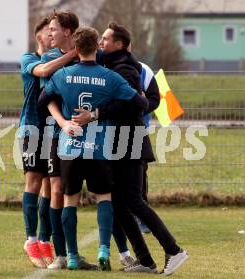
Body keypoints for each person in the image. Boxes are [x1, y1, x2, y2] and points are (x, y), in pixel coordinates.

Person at [73, 23, 188, 275]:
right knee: (119, 204)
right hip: (119, 140)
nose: (101, 43)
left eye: (106, 39)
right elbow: (88, 50)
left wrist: (95, 114)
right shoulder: (114, 63)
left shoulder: (125, 68)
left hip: (130, 139)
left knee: (134, 200)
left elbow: (134, 105)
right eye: (100, 39)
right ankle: (145, 260)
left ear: (120, 44)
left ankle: (174, 250)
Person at [39, 26, 148, 271]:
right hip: (99, 147)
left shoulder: (63, 74)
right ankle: (103, 250)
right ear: (96, 48)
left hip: (70, 146)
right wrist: (136, 93)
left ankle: (73, 256)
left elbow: (42, 101)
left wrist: (63, 122)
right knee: (104, 198)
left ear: (76, 49)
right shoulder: (110, 77)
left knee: (69, 200)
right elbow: (140, 103)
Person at [19, 16, 76, 268]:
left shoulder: (57, 57)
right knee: (33, 181)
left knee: (50, 188)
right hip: (31, 128)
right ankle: (30, 239)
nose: (51, 35)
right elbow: (44, 71)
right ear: (38, 36)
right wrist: (73, 53)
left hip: (52, 131)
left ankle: (44, 239)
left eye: (54, 31)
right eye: (47, 31)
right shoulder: (30, 59)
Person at [39, 10, 80, 270]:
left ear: (67, 31)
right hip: (55, 135)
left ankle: (110, 251)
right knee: (56, 190)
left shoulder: (87, 53)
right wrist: (63, 122)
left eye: (53, 29)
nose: (49, 33)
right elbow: (48, 98)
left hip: (88, 136)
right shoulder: (50, 57)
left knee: (83, 194)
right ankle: (61, 254)